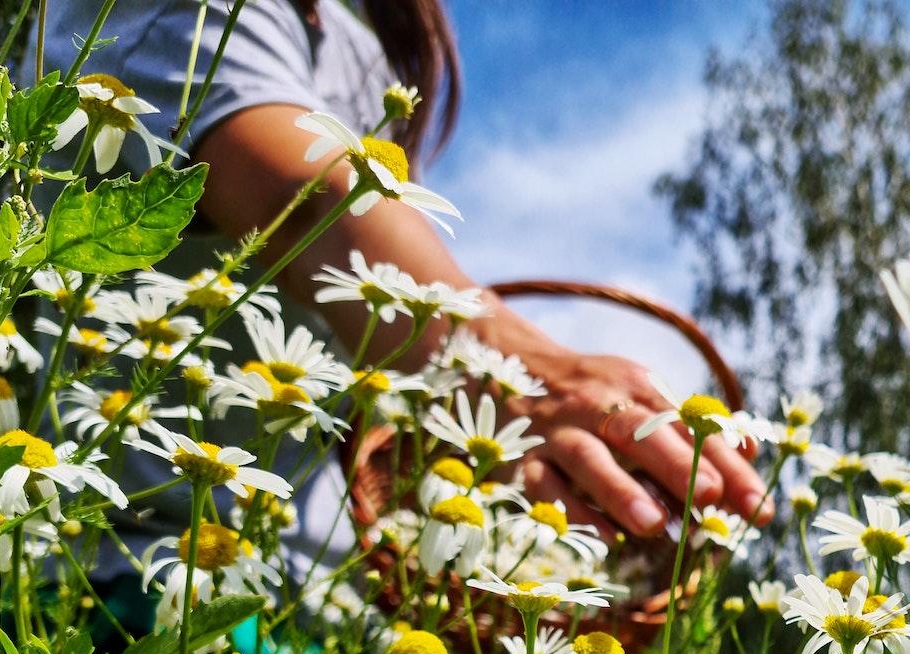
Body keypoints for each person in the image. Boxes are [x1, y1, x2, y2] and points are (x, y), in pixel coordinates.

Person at [38, 0, 768, 576]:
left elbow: (374, 339)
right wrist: (523, 379)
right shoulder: (183, 12)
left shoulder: (357, 54)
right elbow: (308, 203)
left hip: (320, 596)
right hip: (134, 574)